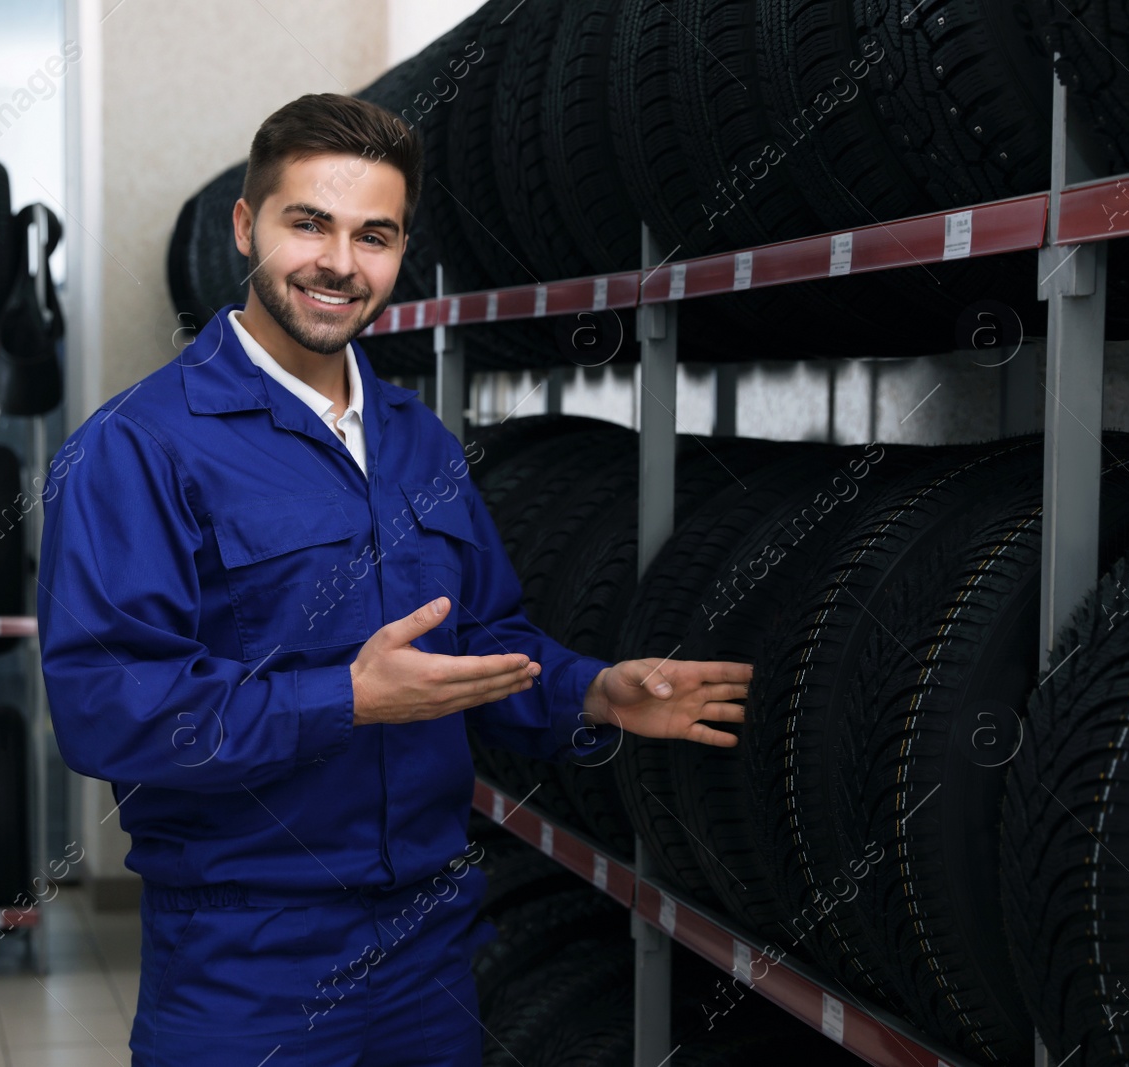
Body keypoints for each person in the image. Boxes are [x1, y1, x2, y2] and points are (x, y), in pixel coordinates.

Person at [37, 91, 753, 1067]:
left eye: (373, 234)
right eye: (309, 223)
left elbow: (480, 639)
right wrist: (343, 698)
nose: (340, 261)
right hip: (246, 959)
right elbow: (104, 705)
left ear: (401, 251)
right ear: (246, 227)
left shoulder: (417, 438)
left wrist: (593, 686)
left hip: (427, 944)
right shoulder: (139, 445)